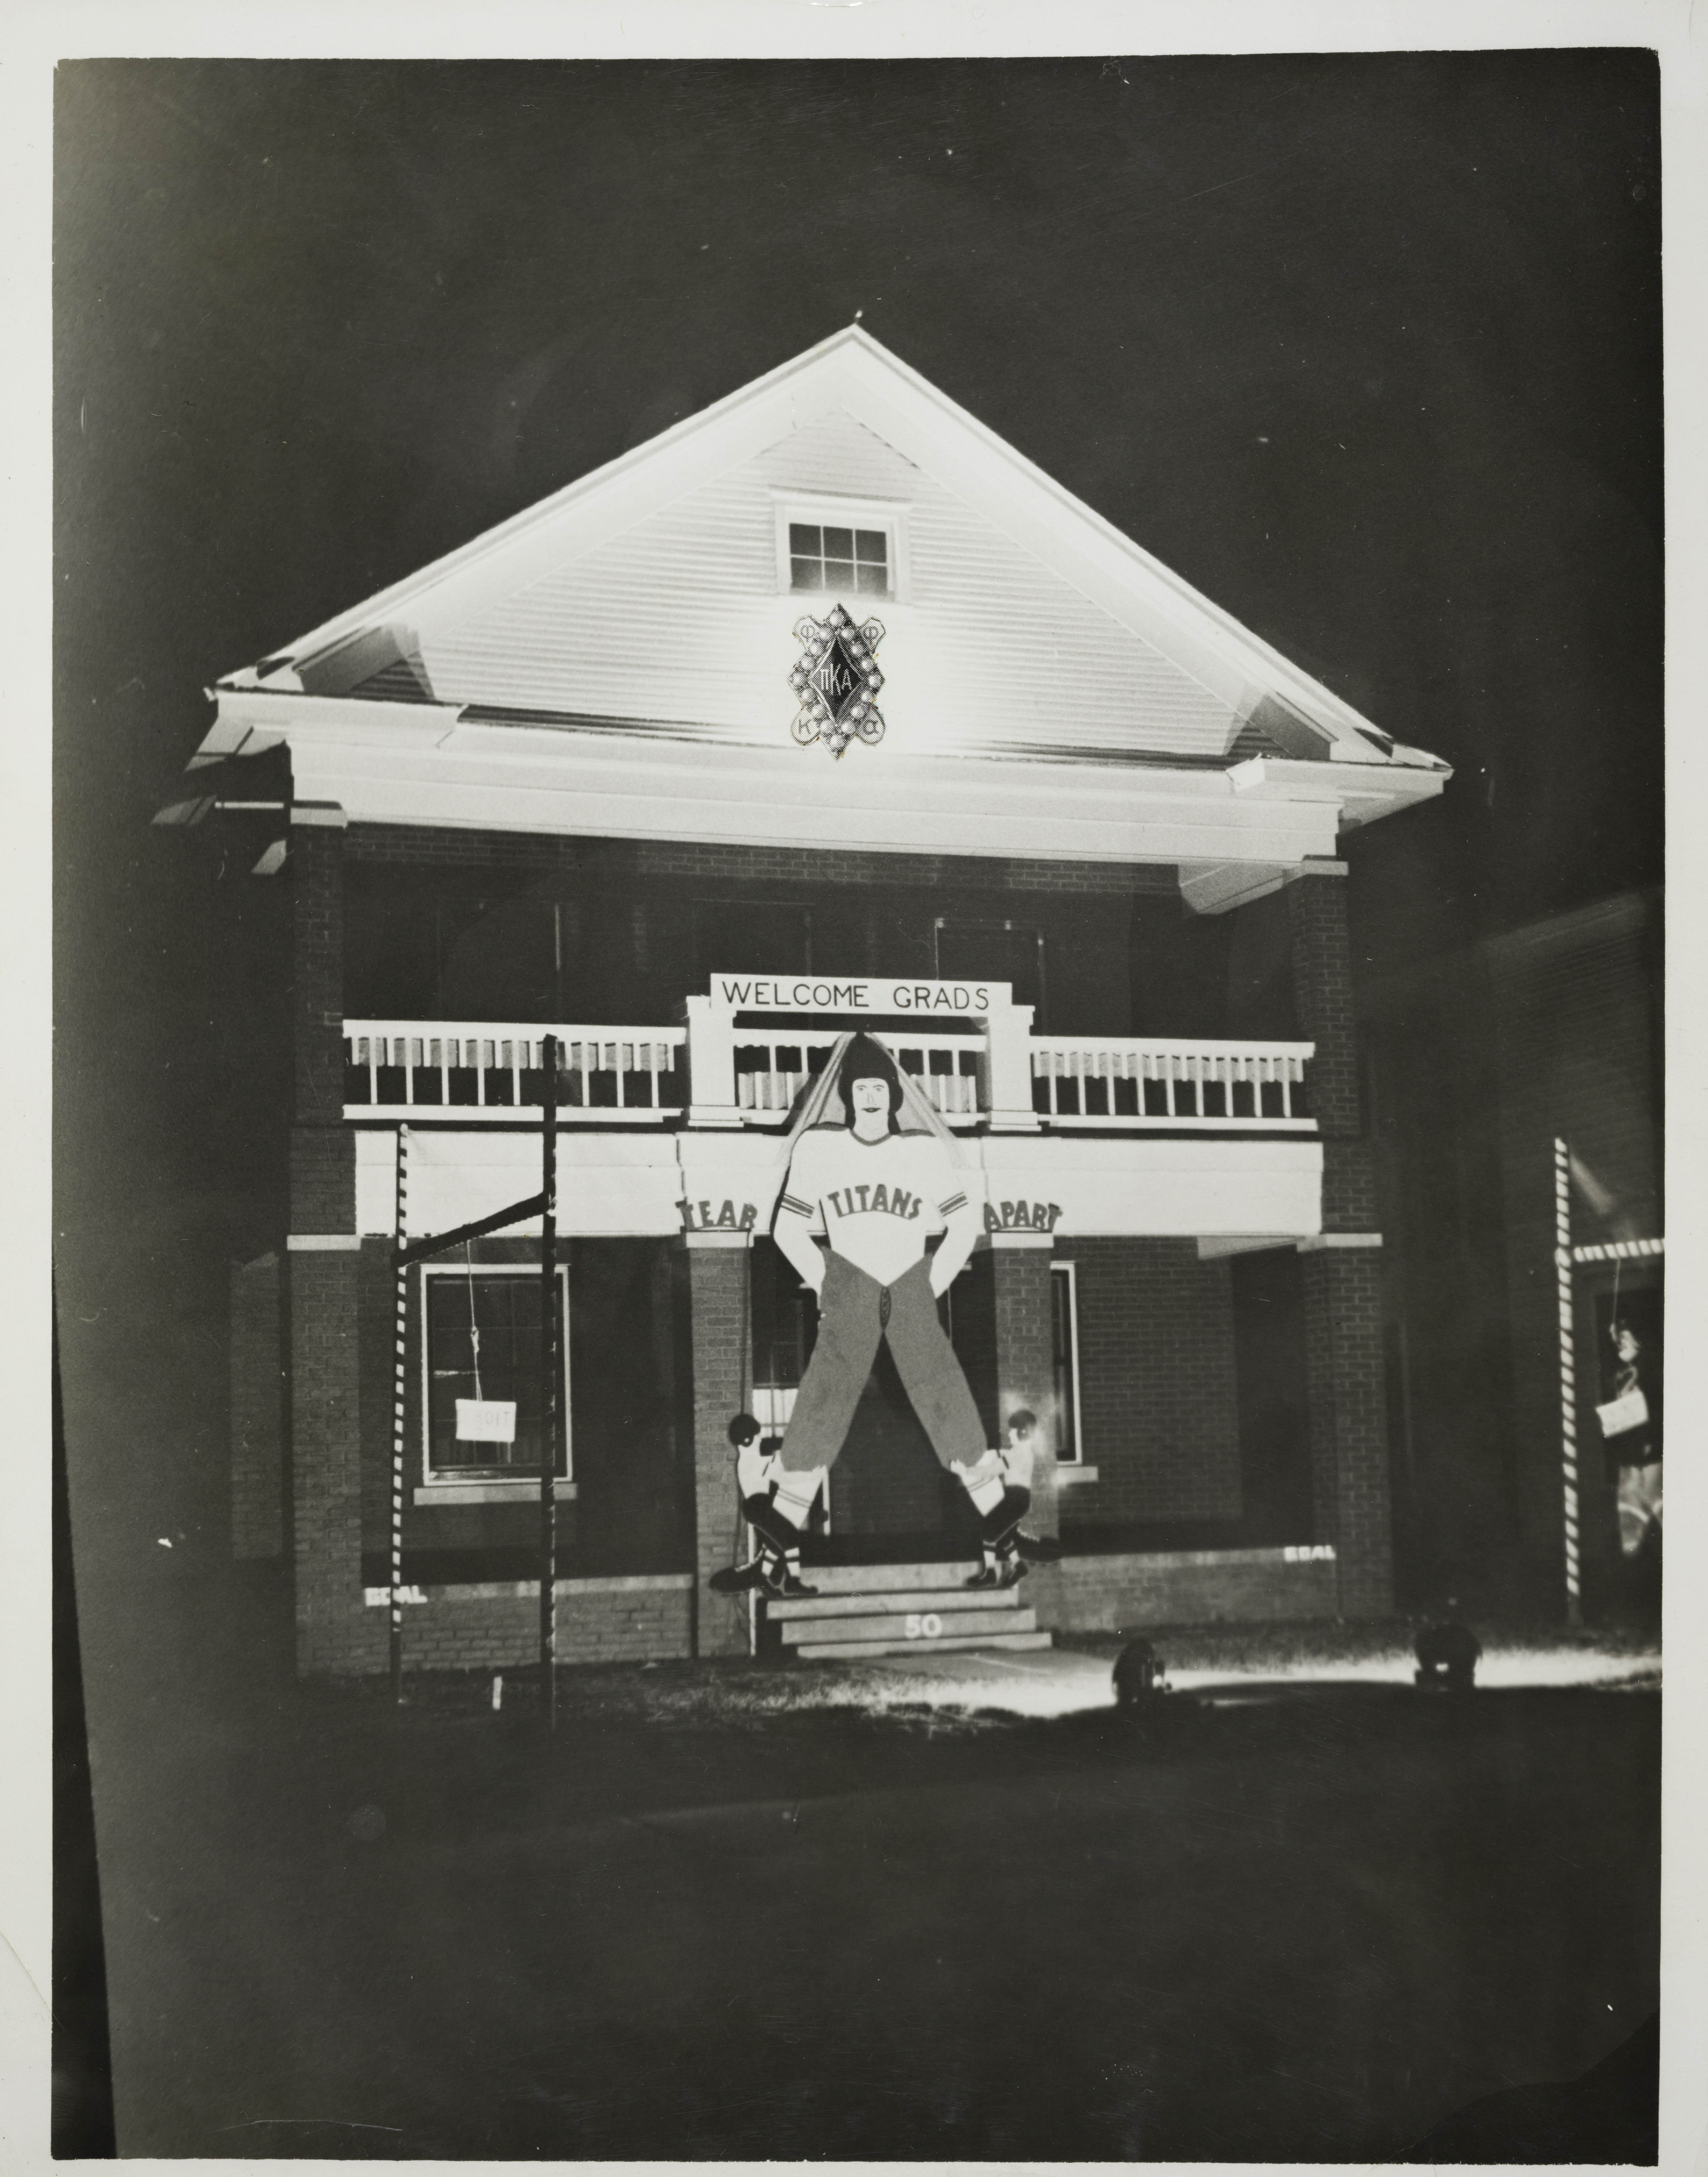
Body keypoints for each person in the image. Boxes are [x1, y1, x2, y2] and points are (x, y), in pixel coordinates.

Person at [718, 1034, 1045, 1597]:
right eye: (861, 1087)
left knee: (951, 1407)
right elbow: (787, 1227)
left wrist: (928, 1281)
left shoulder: (920, 1150)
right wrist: (828, 1281)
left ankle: (1008, 1553)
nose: (870, 1096)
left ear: (894, 1095)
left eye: (879, 1087)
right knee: (819, 1414)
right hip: (850, 1286)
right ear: (847, 1095)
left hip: (909, 1284)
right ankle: (777, 1565)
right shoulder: (819, 1149)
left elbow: (963, 1225)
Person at [1607, 1319, 1662, 1561]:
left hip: (1652, 1459)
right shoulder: (1621, 1374)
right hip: (1631, 1462)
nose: (1622, 1343)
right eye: (1618, 1340)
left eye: (1626, 1338)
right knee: (1630, 1542)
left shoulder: (1651, 1369)